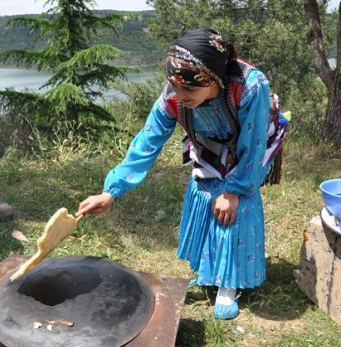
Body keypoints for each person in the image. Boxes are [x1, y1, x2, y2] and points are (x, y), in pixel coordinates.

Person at [76, 28, 279, 320]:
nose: (181, 96)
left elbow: (254, 143)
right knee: (205, 192)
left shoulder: (250, 87)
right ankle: (210, 271)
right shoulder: (174, 95)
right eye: (175, 87)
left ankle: (229, 283)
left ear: (214, 80)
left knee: (232, 208)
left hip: (252, 141)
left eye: (190, 90)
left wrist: (234, 191)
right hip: (208, 140)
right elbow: (147, 141)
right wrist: (112, 191)